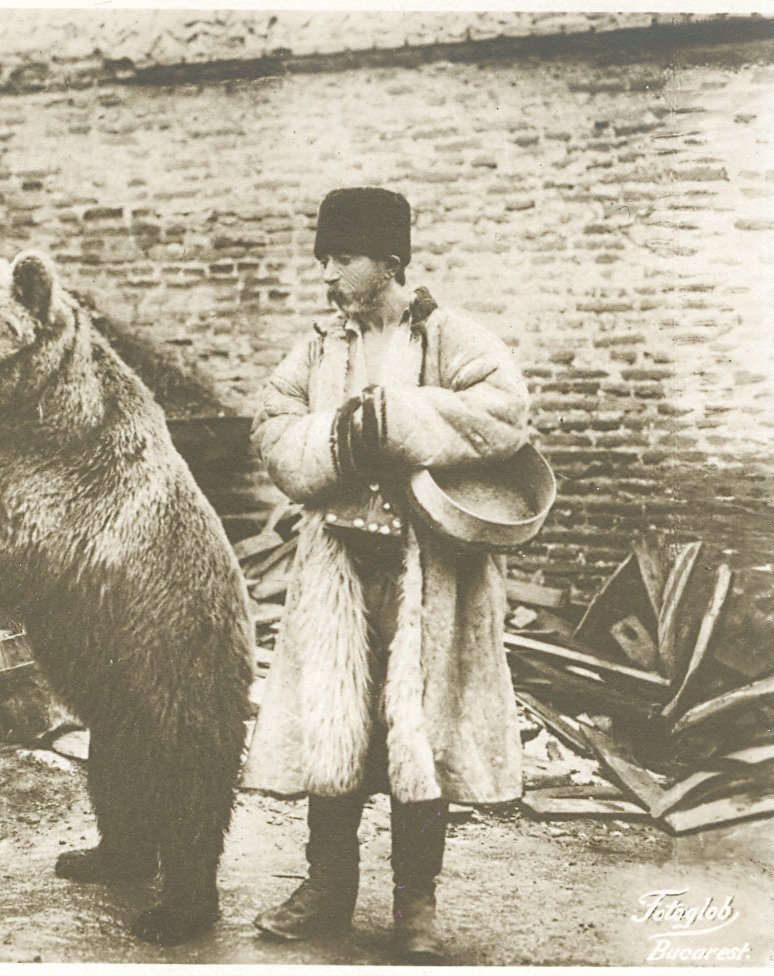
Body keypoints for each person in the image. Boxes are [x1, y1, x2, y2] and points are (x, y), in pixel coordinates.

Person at [242, 187, 530, 962]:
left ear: (390, 261)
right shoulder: (318, 346)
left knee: (419, 735)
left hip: (426, 572)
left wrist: (401, 419)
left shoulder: (449, 335)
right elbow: (270, 426)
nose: (327, 274)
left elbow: (506, 410)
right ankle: (328, 889)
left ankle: (416, 906)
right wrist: (336, 441)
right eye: (325, 259)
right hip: (337, 569)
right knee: (334, 728)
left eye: (342, 258)